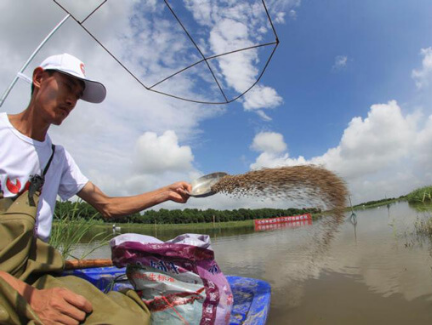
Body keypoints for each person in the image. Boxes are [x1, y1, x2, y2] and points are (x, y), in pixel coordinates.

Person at [0, 53, 192, 324]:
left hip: (33, 271)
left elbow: (107, 206)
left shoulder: (58, 158)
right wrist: (30, 298)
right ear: (39, 78)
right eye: (67, 86)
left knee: (128, 319)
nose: (71, 100)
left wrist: (166, 192)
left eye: (78, 96)